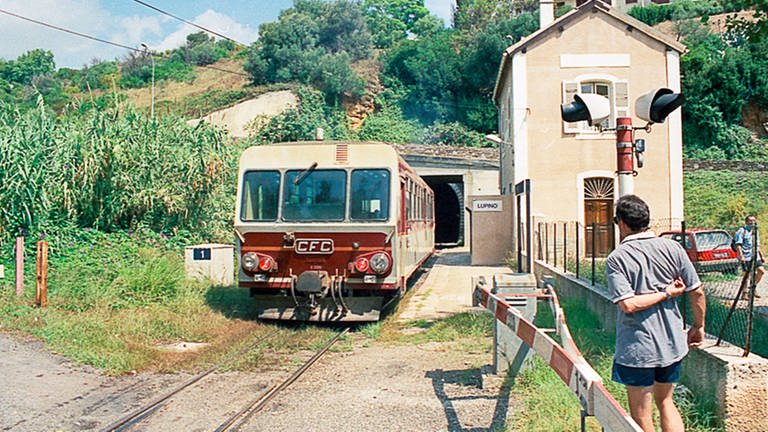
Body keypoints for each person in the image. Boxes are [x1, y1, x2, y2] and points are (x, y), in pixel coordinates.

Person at [606, 195, 706, 432]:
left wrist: (666, 294)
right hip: (671, 344)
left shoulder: (617, 258)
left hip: (638, 347)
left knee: (641, 415)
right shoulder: (674, 248)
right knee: (666, 402)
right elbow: (697, 292)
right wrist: (698, 326)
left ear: (621, 222)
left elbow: (628, 304)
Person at [734, 215, 765, 289]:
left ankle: (752, 287)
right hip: (746, 256)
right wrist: (741, 256)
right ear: (746, 222)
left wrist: (761, 256)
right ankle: (744, 292)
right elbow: (738, 245)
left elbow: (757, 245)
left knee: (761, 271)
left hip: (755, 256)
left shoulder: (755, 231)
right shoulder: (741, 231)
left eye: (754, 220)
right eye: (750, 221)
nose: (752, 222)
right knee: (746, 275)